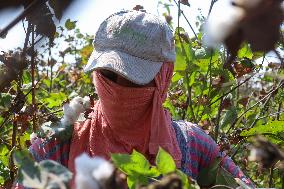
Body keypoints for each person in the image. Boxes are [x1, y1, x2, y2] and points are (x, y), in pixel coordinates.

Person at [15, 10, 253, 189]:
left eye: (135, 79)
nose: (118, 88)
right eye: (108, 75)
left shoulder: (192, 144)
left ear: (164, 76)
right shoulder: (54, 147)